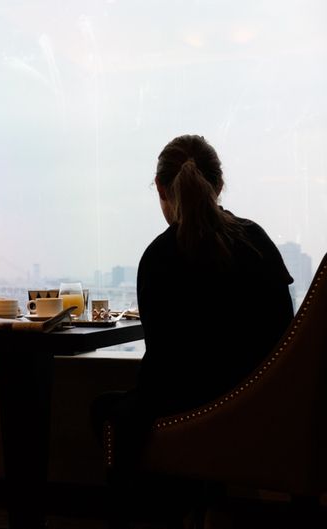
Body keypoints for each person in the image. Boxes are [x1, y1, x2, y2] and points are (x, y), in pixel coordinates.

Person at [92, 134, 294, 523]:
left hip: (194, 419)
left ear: (161, 191)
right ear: (218, 186)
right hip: (265, 413)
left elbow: (164, 371)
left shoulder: (158, 257)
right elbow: (281, 337)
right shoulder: (257, 242)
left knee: (109, 411)